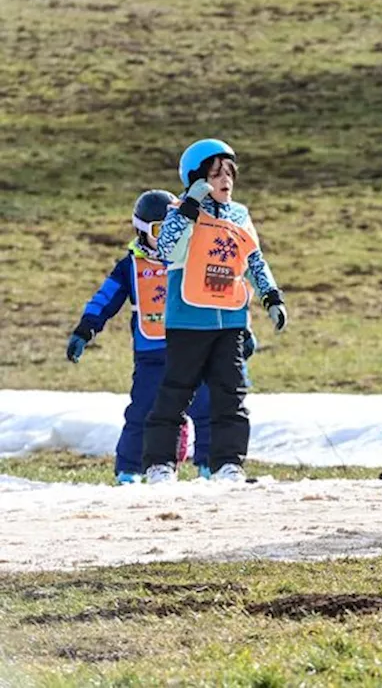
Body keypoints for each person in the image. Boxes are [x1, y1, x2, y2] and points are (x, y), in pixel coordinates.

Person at [141, 139, 287, 484]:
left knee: (230, 393)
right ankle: (160, 464)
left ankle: (228, 465)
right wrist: (190, 206)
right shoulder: (181, 213)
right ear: (195, 178)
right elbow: (164, 250)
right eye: (215, 174)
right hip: (188, 319)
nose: (225, 180)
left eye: (229, 173)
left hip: (230, 320)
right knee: (175, 391)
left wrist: (271, 296)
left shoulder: (239, 215)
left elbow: (253, 259)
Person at [65, 190, 220, 483]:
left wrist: (240, 333)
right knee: (143, 411)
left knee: (207, 404)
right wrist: (84, 330)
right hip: (152, 355)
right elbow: (105, 299)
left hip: (192, 350)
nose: (168, 238)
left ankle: (210, 465)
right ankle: (129, 470)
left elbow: (219, 297)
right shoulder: (129, 267)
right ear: (143, 230)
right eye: (161, 230)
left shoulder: (190, 261)